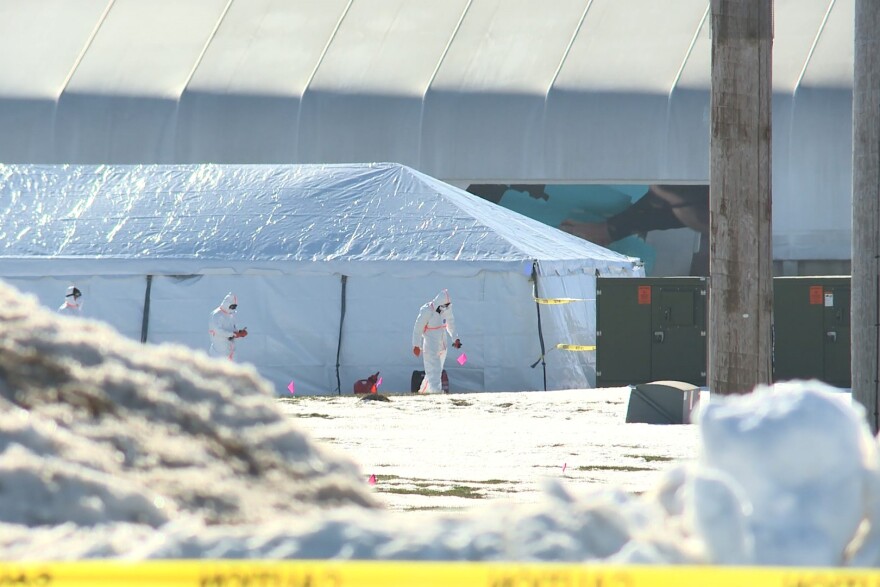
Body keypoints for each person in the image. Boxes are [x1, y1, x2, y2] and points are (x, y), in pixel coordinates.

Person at [412, 289, 462, 394]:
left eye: (448, 305)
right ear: (439, 304)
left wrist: (455, 338)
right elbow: (418, 328)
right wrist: (416, 345)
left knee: (435, 372)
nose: (446, 308)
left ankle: (423, 392)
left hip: (442, 346)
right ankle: (437, 394)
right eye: (444, 306)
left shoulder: (447, 310)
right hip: (430, 346)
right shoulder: (427, 311)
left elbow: (450, 323)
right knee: (433, 372)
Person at [208, 292, 248, 360]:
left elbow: (232, 328)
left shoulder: (230, 315)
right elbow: (218, 331)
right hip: (219, 350)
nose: (233, 308)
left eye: (235, 306)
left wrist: (240, 332)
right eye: (232, 306)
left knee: (230, 368)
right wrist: (233, 334)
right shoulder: (217, 315)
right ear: (226, 304)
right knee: (218, 368)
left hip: (229, 349)